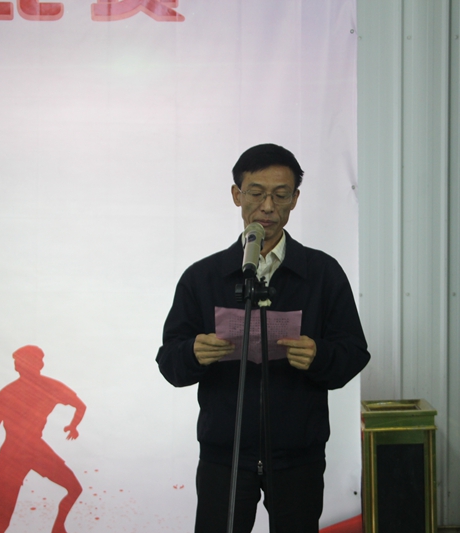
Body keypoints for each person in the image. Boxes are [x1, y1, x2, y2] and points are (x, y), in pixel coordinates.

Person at [156, 143, 370, 533]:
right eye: (256, 193)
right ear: (236, 195)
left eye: (280, 194)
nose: (268, 206)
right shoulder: (203, 277)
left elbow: (354, 352)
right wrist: (193, 353)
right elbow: (169, 362)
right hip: (224, 456)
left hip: (298, 455)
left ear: (295, 199)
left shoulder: (322, 273)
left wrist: (319, 356)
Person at [0, 345, 85, 533]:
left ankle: (58, 527)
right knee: (1, 523)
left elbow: (80, 406)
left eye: (26, 361)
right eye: (19, 362)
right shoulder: (8, 393)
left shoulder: (51, 387)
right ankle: (58, 528)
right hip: (14, 454)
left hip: (33, 450)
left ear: (40, 364)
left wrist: (74, 425)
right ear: (17, 367)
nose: (20, 365)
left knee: (74, 489)